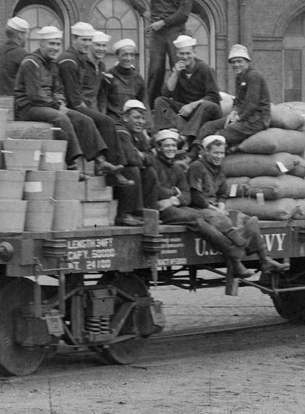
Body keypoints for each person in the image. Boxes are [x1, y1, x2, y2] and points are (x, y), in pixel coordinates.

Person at [148, 128, 251, 279]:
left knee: (203, 215)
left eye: (173, 146)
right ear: (158, 147)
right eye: (167, 146)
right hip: (160, 209)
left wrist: (173, 198)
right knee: (195, 219)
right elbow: (155, 191)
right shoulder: (154, 166)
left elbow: (187, 195)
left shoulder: (177, 167)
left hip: (173, 205)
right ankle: (233, 252)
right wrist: (175, 193)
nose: (171, 149)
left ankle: (234, 250)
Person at [187, 134, 290, 273]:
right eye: (215, 152)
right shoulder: (197, 167)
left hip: (215, 208)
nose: (219, 156)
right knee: (222, 220)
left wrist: (221, 205)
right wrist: (215, 209)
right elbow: (195, 195)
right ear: (206, 152)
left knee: (249, 220)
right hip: (200, 209)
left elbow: (222, 193)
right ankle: (238, 255)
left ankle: (265, 260)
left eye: (221, 153)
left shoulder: (219, 169)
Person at [12, 25, 108, 172]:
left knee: (84, 119)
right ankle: (71, 164)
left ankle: (99, 161)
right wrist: (57, 107)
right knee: (61, 118)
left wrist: (61, 101)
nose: (55, 48)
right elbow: (35, 95)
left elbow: (58, 89)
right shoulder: (31, 63)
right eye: (51, 43)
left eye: (57, 44)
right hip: (27, 108)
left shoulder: (52, 64)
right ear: (41, 44)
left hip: (48, 105)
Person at [56, 22, 122, 171]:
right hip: (68, 106)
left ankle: (108, 164)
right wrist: (87, 109)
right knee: (106, 122)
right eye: (83, 40)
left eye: (89, 40)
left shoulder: (77, 59)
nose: (87, 44)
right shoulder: (69, 61)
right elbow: (74, 99)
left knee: (104, 121)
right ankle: (108, 166)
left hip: (74, 104)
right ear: (74, 39)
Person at [130, 0, 194, 103]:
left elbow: (183, 14)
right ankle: (152, 107)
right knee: (155, 70)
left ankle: (181, 104)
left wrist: (163, 23)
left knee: (178, 67)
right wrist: (143, 11)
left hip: (175, 33)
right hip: (158, 35)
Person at [153, 33, 222, 141]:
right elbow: (166, 93)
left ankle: (185, 137)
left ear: (194, 53)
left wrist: (192, 105)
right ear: (177, 54)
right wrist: (175, 73)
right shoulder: (178, 70)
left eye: (188, 53)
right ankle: (169, 131)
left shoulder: (205, 69)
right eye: (181, 54)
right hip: (184, 110)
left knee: (205, 105)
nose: (185, 57)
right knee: (160, 101)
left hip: (206, 110)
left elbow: (214, 96)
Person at [199, 44, 270, 149]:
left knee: (220, 135)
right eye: (233, 62)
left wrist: (238, 118)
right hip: (244, 118)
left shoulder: (253, 76)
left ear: (247, 61)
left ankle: (216, 154)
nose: (236, 64)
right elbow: (237, 101)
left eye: (239, 61)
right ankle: (193, 154)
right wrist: (233, 112)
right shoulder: (240, 78)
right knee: (208, 126)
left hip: (256, 120)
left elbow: (251, 104)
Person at [110, 99, 154, 225]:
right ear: (125, 117)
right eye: (136, 117)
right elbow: (130, 159)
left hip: (131, 176)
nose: (140, 121)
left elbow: (151, 158)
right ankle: (123, 214)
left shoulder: (139, 135)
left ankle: (142, 212)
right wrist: (142, 158)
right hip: (116, 177)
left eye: (143, 118)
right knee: (132, 169)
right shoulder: (121, 131)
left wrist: (141, 156)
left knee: (150, 172)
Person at [104, 38, 150, 121]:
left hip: (132, 122)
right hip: (113, 121)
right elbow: (102, 103)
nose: (128, 58)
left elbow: (145, 103)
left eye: (132, 55)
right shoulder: (109, 76)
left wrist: (147, 128)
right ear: (117, 56)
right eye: (124, 54)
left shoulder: (138, 78)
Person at [0, 15, 30, 96]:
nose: (27, 38)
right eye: (26, 34)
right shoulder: (21, 54)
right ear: (20, 35)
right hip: (16, 102)